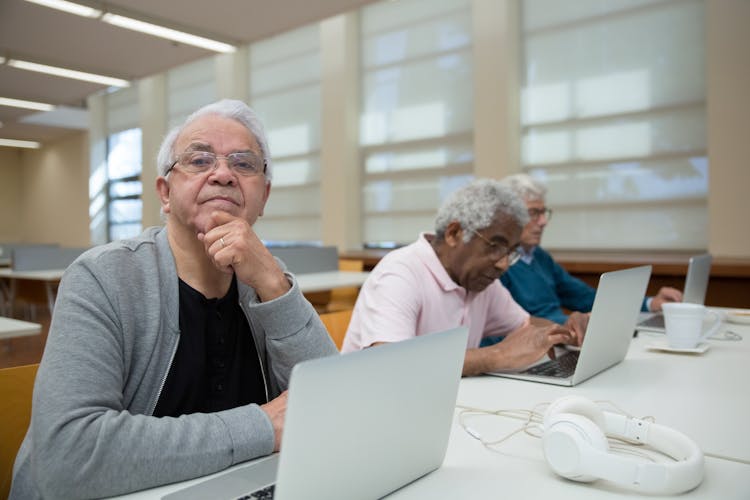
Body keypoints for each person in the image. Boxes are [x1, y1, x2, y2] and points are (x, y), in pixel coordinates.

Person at [10, 99, 338, 499]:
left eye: (244, 163)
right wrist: (263, 426)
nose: (223, 174)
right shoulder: (103, 278)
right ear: (165, 192)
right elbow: (70, 456)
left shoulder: (266, 278)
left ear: (264, 196)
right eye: (200, 160)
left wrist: (274, 285)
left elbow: (332, 406)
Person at [341, 179, 585, 377]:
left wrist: (568, 330)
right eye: (495, 247)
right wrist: (496, 355)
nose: (502, 264)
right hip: (375, 411)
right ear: (454, 233)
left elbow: (525, 325)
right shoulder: (400, 273)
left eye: (510, 252)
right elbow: (390, 364)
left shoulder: (479, 281)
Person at [481, 173, 682, 347]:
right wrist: (571, 324)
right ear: (508, 217)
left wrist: (649, 303)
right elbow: (509, 327)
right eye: (534, 213)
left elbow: (585, 297)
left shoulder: (539, 256)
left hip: (566, 339)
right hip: (545, 343)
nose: (543, 222)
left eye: (543, 213)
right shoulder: (497, 266)